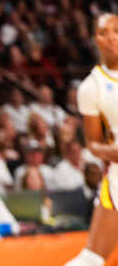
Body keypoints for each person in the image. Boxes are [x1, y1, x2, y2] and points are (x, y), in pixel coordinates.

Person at [65, 13, 118, 266]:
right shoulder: (92, 87)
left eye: (116, 30)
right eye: (103, 33)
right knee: (92, 258)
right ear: (95, 39)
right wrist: (114, 152)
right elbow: (93, 144)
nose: (111, 38)